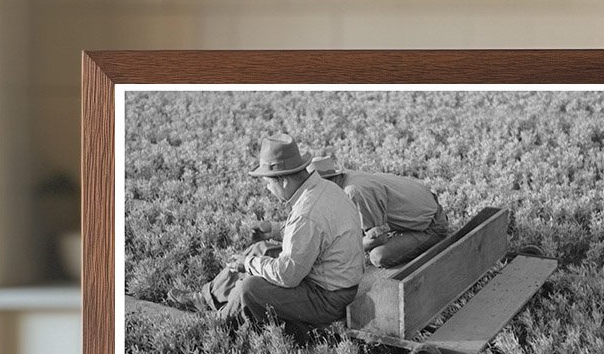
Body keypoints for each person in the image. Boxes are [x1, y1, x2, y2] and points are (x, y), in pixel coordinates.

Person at [167, 134, 364, 332]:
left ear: (283, 180)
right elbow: (316, 236)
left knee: (251, 289)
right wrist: (274, 231)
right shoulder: (324, 188)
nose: (268, 189)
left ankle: (217, 326)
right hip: (332, 279)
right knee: (260, 249)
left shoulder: (307, 213)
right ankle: (206, 299)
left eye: (269, 183)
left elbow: (288, 276)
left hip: (327, 298)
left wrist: (248, 264)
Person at [309, 155, 450, 268]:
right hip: (421, 212)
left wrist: (336, 254)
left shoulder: (354, 191)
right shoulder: (347, 178)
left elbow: (378, 239)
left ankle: (431, 242)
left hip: (432, 225)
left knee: (377, 256)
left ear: (327, 182)